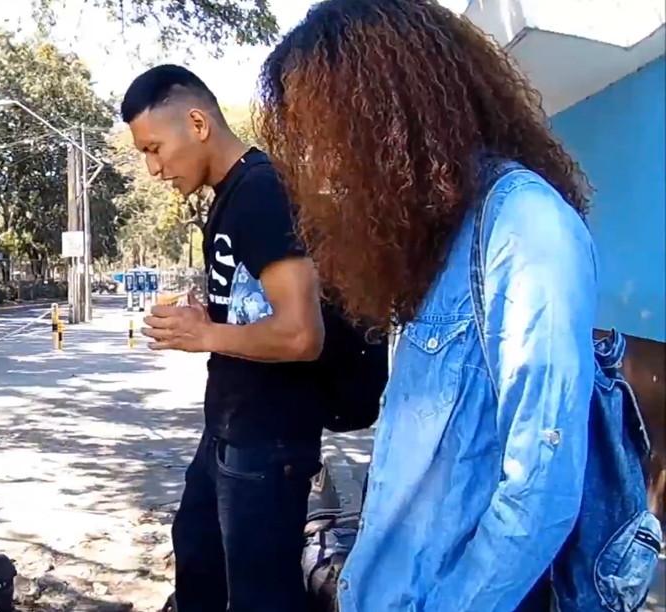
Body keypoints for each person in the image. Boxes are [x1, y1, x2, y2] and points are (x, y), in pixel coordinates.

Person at [257, 1, 661, 611]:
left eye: (324, 134)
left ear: (389, 112)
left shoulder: (524, 225)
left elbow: (539, 495)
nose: (321, 166)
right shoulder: (432, 238)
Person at [122, 64, 326, 611]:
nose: (153, 168)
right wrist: (209, 315)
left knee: (261, 596)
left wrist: (207, 333)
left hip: (268, 440)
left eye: (156, 148)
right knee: (197, 560)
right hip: (229, 430)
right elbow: (252, 308)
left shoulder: (262, 191)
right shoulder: (228, 198)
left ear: (197, 122)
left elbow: (303, 333)